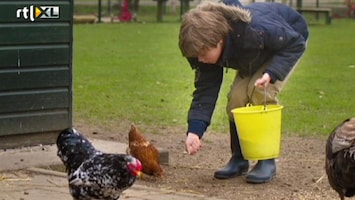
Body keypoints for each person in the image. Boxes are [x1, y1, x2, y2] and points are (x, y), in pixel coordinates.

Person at [178, 1, 308, 184]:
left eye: (203, 54)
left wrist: (272, 73)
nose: (200, 59)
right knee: (236, 101)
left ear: (219, 40)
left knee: (260, 94)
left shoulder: (255, 30)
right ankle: (239, 159)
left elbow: (295, 43)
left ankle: (266, 161)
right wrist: (195, 130)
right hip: (252, 53)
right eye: (196, 56)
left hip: (287, 42)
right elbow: (205, 91)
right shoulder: (203, 50)